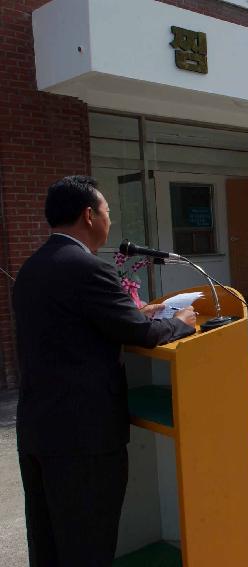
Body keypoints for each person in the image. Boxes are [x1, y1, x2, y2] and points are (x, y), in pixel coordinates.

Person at [13, 176, 197, 565]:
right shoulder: (86, 268)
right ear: (88, 215)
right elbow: (142, 334)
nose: (109, 221)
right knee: (87, 544)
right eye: (108, 212)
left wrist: (133, 311)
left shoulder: (32, 267)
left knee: (48, 542)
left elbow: (74, 327)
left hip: (37, 430)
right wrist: (181, 321)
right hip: (84, 439)